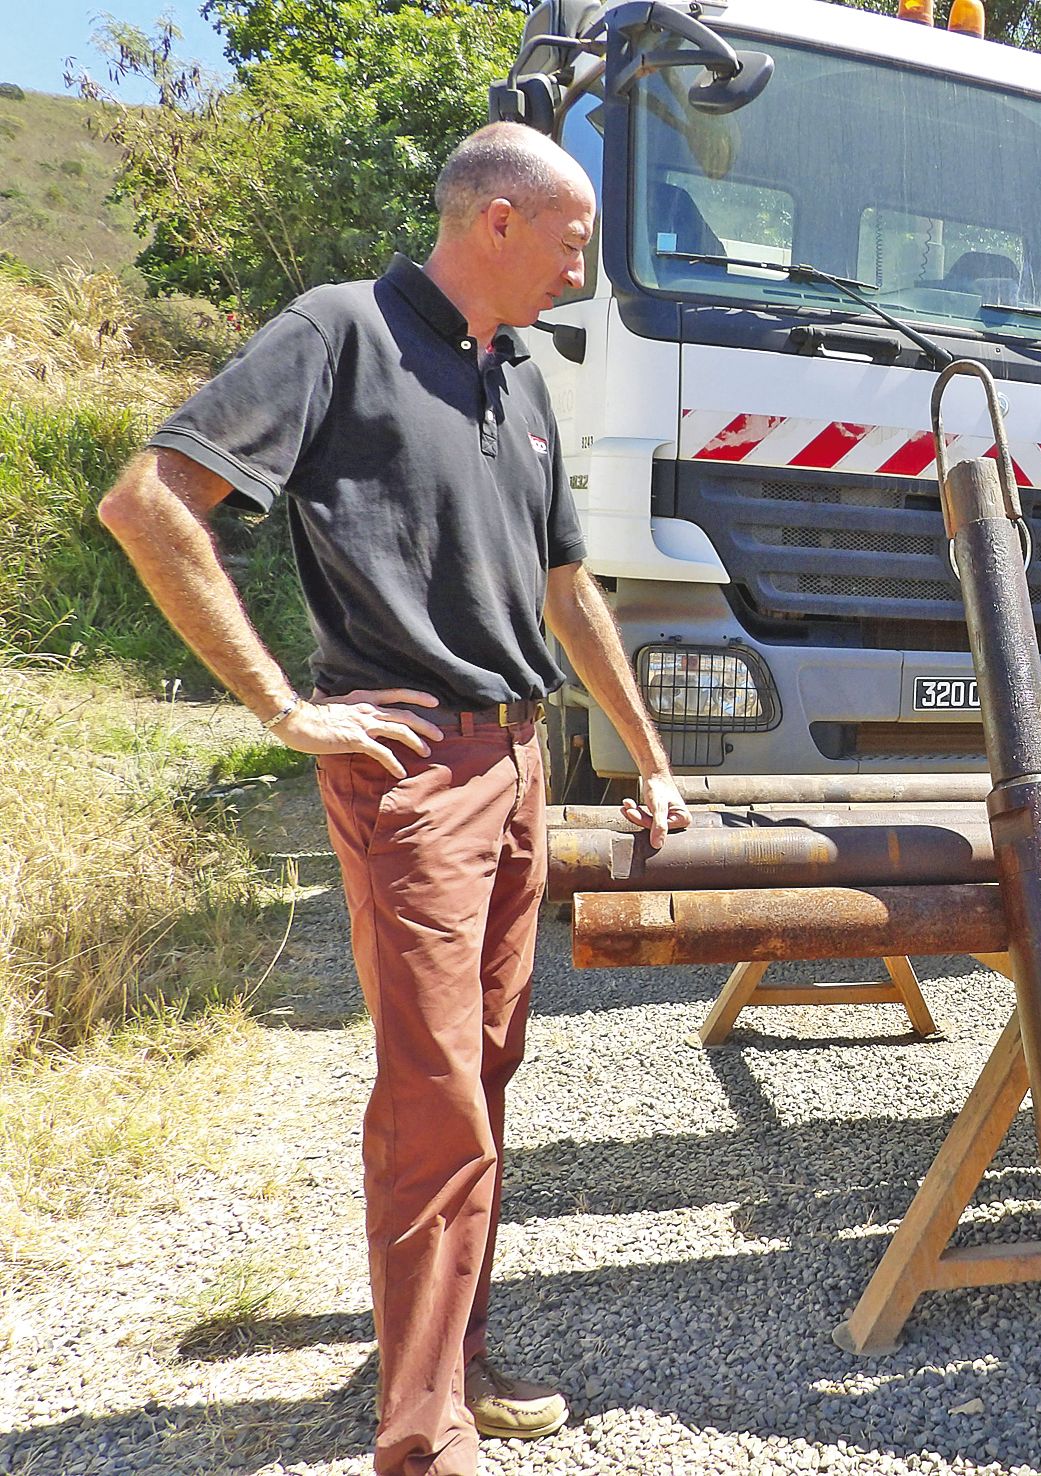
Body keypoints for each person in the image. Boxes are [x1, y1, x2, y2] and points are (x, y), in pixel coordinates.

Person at [98, 123, 690, 1476]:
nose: (580, 272)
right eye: (572, 244)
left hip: (519, 763)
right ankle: (422, 1436)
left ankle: (452, 1361)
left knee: (485, 1073)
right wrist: (283, 708)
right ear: (496, 219)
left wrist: (648, 753)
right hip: (415, 780)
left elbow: (566, 589)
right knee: (435, 1096)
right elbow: (151, 503)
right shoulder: (340, 332)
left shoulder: (520, 376)